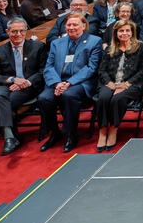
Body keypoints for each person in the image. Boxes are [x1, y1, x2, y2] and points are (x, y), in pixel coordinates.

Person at [38, 13, 102, 152]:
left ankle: (71, 134)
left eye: (75, 24)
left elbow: (91, 68)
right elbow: (48, 66)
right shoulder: (57, 43)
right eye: (69, 25)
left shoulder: (94, 41)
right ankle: (55, 133)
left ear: (84, 26)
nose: (71, 27)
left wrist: (69, 83)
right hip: (58, 82)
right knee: (44, 98)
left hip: (80, 82)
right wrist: (57, 84)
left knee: (69, 95)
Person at [0, 17, 46, 155]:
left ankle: (11, 137)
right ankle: (10, 137)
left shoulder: (38, 47)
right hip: (7, 83)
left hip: (29, 85)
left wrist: (25, 82)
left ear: (26, 31)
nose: (18, 34)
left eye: (21, 31)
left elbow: (42, 71)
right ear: (7, 32)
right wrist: (13, 80)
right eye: (14, 31)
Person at [92, 18, 143, 151]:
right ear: (116, 33)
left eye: (127, 30)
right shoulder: (110, 48)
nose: (124, 33)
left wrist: (127, 84)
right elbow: (102, 70)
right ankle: (102, 131)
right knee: (103, 98)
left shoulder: (141, 47)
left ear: (132, 32)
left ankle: (113, 128)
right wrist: (110, 83)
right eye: (121, 31)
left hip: (131, 84)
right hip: (110, 83)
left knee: (117, 99)